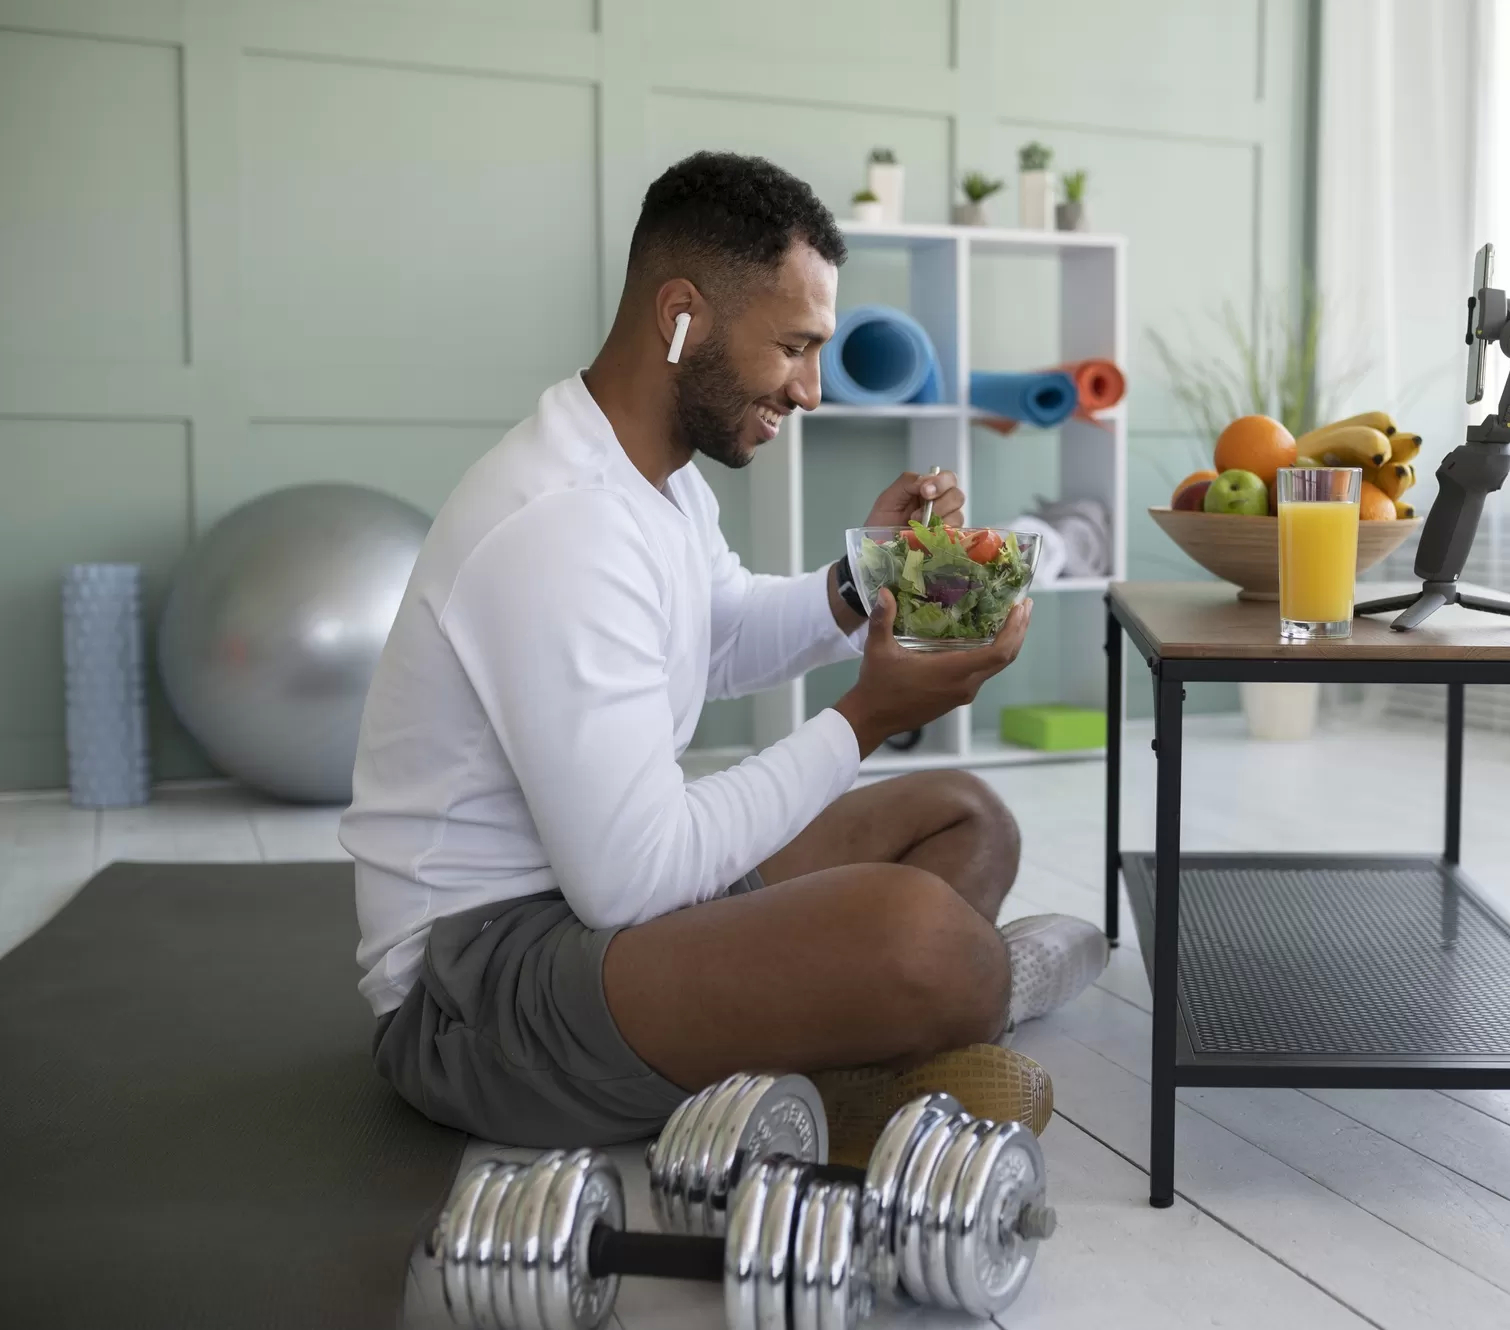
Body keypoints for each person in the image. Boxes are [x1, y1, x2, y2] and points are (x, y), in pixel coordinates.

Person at [343, 151, 1108, 1152]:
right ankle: (969, 995)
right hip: (480, 990)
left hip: (606, 917)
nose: (813, 390)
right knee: (925, 940)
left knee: (967, 818)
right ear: (682, 316)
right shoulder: (561, 524)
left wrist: (868, 577)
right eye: (793, 347)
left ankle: (872, 1050)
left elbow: (720, 634)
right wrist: (868, 717)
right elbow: (630, 879)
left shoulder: (656, 480)